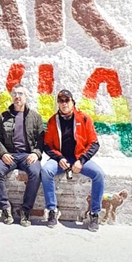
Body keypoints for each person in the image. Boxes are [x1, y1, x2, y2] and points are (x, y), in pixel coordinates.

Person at [40, 89, 106, 232]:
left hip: (79, 158)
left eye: (66, 100)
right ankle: (52, 209)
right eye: (61, 101)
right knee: (45, 171)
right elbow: (46, 145)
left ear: (72, 102)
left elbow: (94, 143)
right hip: (61, 158)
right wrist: (59, 158)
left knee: (99, 174)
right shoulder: (53, 121)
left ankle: (94, 213)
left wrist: (81, 160)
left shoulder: (84, 119)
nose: (64, 104)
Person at [0, 84, 46, 227]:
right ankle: (5, 208)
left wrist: (35, 153)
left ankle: (25, 210)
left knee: (36, 172)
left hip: (28, 155)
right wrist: (3, 153)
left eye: (20, 94)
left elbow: (41, 139)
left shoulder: (35, 117)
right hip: (10, 155)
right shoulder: (3, 116)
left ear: (25, 97)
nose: (17, 96)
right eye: (14, 94)